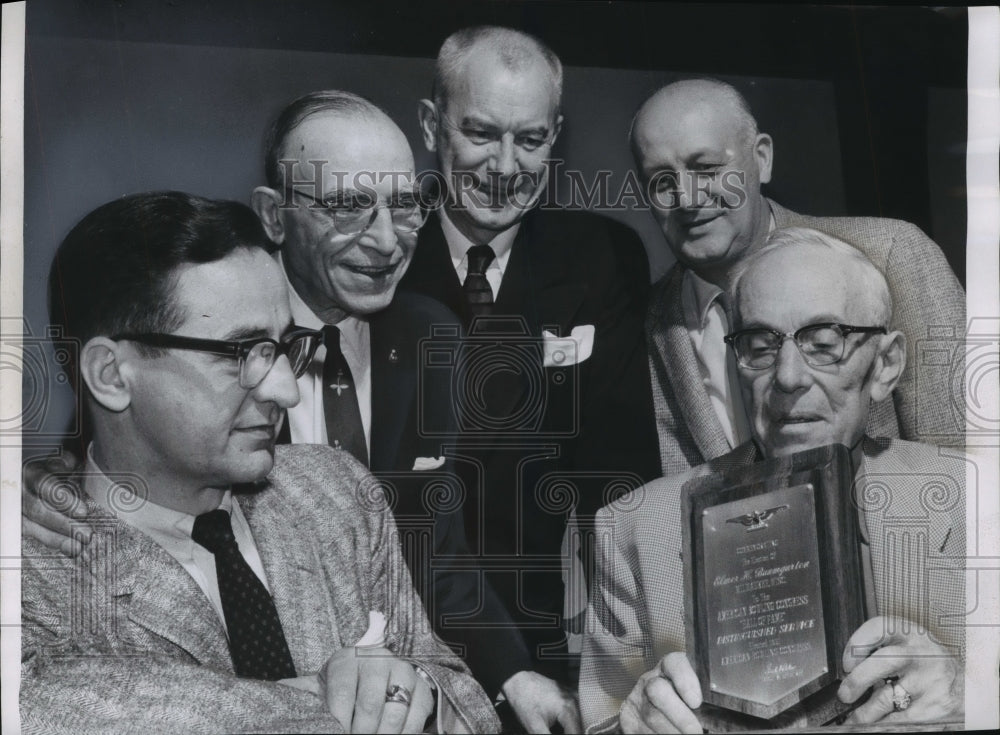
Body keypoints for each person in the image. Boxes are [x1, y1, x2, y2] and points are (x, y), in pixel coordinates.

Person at [22, 91, 527, 720]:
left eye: (286, 347)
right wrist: (325, 704)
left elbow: (456, 689)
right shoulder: (33, 563)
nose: (287, 388)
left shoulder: (341, 492)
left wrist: (421, 694)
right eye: (242, 353)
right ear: (110, 374)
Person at [579, 227, 966, 733]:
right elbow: (600, 718)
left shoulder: (978, 501)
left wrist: (975, 698)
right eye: (760, 346)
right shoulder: (634, 528)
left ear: (885, 365)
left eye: (824, 343)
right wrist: (630, 725)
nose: (787, 377)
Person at [399, 27, 661, 730]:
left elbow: (620, 483)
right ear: (432, 125)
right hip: (398, 629)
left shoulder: (602, 255)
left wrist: (626, 661)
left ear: (557, 136)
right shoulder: (381, 257)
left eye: (531, 139)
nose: (505, 166)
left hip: (548, 631)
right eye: (480, 133)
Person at [633, 78, 967, 477]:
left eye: (706, 169)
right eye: (662, 181)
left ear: (762, 158)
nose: (687, 198)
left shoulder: (892, 254)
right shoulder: (644, 324)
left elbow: (968, 460)